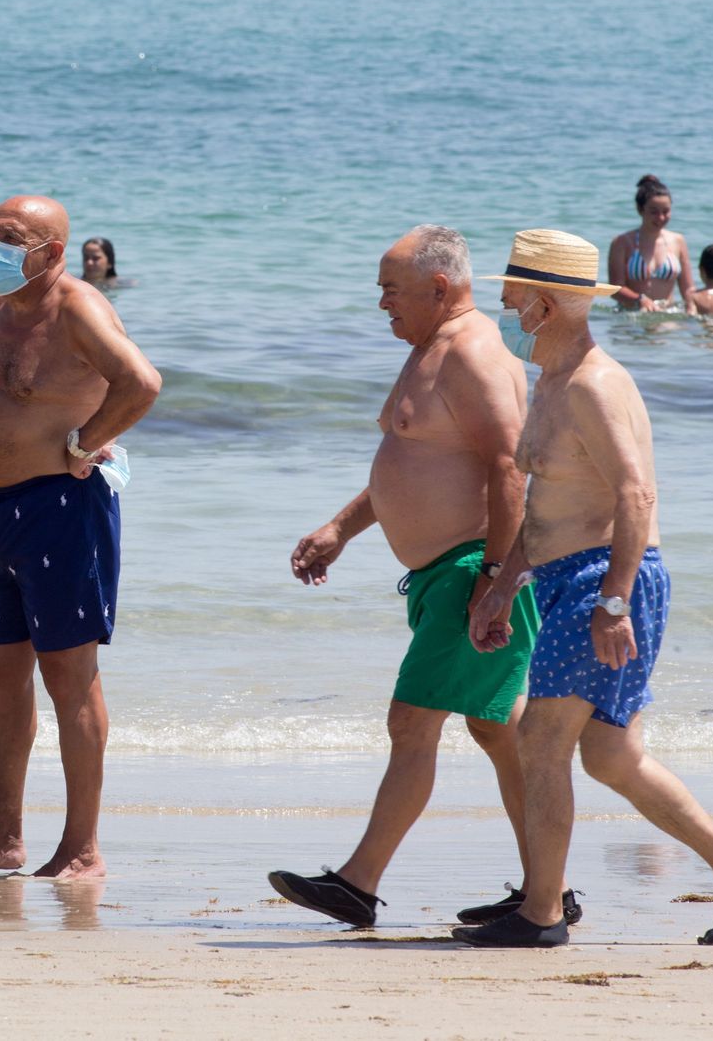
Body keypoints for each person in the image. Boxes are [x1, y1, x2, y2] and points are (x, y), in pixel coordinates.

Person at [459, 229, 713, 948]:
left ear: (547, 302)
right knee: (608, 754)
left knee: (540, 738)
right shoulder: (550, 381)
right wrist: (503, 587)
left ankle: (541, 914)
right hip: (567, 575)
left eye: (513, 295)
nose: (505, 305)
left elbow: (636, 495)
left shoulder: (596, 384)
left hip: (608, 576)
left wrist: (614, 600)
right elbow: (547, 509)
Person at [268, 226, 577, 931]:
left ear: (439, 288)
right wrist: (340, 529)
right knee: (499, 731)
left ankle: (357, 882)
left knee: (412, 722)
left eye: (391, 289)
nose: (381, 304)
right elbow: (418, 463)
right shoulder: (429, 352)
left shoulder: (472, 354)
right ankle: (547, 894)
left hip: (474, 565)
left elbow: (510, 471)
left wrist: (496, 580)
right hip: (448, 572)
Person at [0, 196, 161, 879]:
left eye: (11, 239)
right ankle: (1, 836)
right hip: (4, 512)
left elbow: (141, 382)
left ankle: (82, 847)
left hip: (65, 509)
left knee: (69, 676)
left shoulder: (79, 308)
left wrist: (89, 442)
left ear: (52, 252)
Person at [607, 175, 694, 314]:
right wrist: (639, 299)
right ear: (640, 209)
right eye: (654, 212)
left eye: (666, 211)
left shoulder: (678, 241)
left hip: (667, 315)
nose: (661, 217)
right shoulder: (621, 242)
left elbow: (688, 289)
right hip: (631, 317)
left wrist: (693, 310)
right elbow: (615, 289)